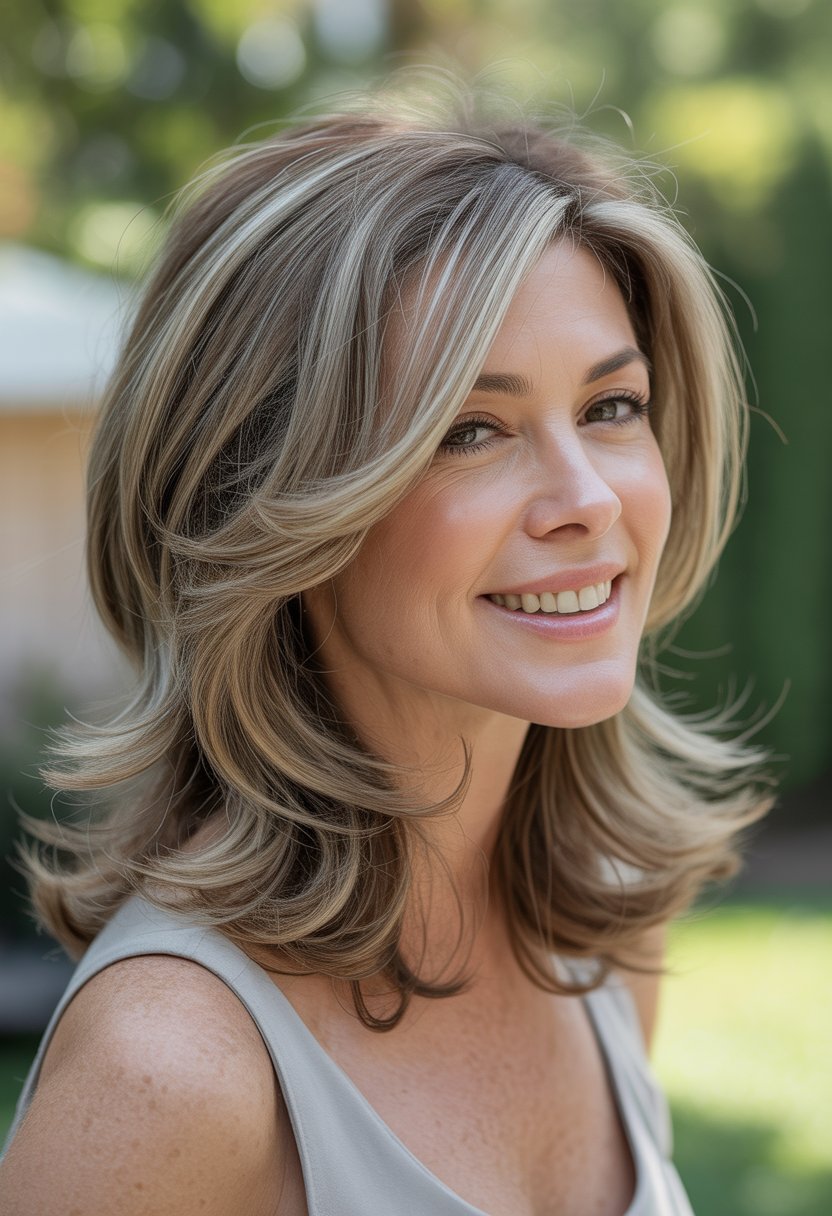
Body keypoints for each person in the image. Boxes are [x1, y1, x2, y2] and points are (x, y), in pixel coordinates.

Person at [0, 74, 772, 1215]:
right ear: (271, 503)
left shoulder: (603, 938)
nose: (587, 500)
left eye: (612, 407)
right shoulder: (169, 1073)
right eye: (470, 429)